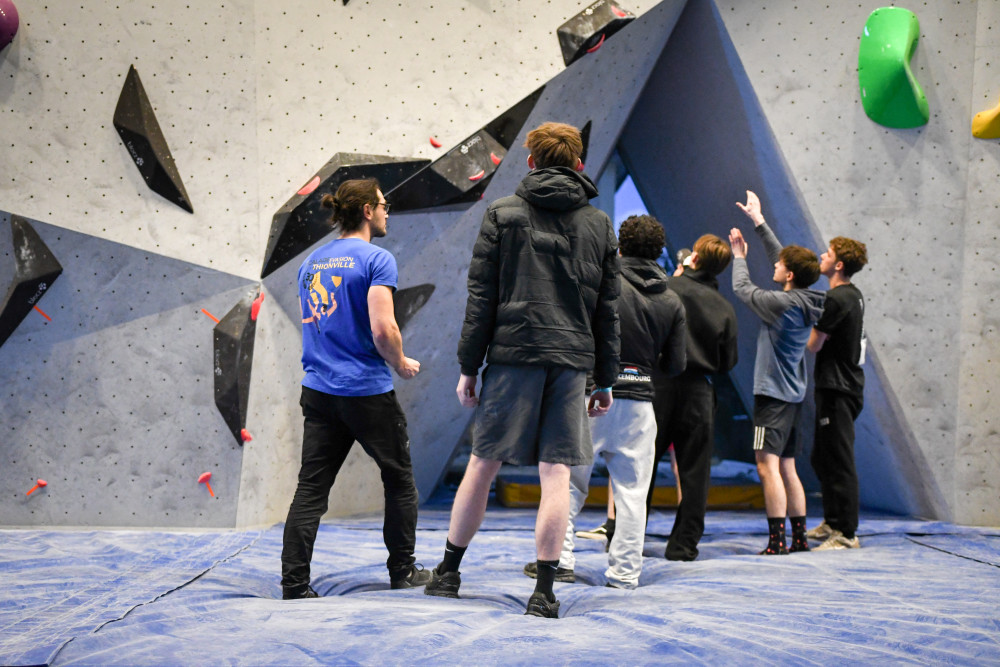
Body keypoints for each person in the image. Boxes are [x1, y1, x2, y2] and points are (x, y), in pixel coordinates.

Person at [424, 122, 620, 618]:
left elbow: (481, 298)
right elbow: (608, 310)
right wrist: (606, 378)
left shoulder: (502, 213)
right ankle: (545, 593)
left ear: (531, 161)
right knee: (556, 473)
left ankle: (448, 573)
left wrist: (469, 366)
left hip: (514, 354)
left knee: (482, 464)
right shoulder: (599, 224)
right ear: (578, 164)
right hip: (572, 361)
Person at [281, 178, 428, 600]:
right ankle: (403, 571)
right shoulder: (378, 259)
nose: (386, 213)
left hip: (319, 391)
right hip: (365, 391)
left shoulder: (311, 263)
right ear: (366, 210)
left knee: (311, 488)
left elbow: (318, 322)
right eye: (383, 205)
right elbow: (383, 328)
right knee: (399, 479)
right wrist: (400, 361)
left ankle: (294, 584)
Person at [529, 214, 685, 589]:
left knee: (568, 484)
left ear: (619, 247)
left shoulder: (600, 284)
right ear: (659, 252)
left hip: (591, 396)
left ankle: (559, 562)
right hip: (640, 405)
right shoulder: (672, 299)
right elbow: (676, 365)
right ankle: (625, 574)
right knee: (633, 494)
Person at [732, 190, 825, 555]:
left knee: (766, 467)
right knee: (788, 467)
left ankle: (777, 542)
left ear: (789, 275)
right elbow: (782, 258)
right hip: (793, 397)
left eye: (780, 266)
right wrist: (759, 221)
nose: (774, 266)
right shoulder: (806, 299)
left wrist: (739, 257)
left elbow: (742, 289)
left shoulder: (781, 304)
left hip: (771, 398)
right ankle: (798, 539)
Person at [646, 234, 738, 561]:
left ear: (693, 259)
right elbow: (728, 361)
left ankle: (625, 537)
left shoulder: (667, 289)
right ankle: (684, 545)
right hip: (699, 391)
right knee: (695, 473)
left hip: (659, 386)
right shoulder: (724, 307)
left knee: (642, 467)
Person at [805, 237, 869, 550]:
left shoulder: (837, 298)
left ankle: (846, 533)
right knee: (823, 457)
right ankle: (832, 521)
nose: (822, 256)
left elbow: (813, 345)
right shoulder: (853, 295)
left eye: (828, 254)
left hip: (838, 388)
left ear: (839, 265)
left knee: (839, 459)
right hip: (841, 386)